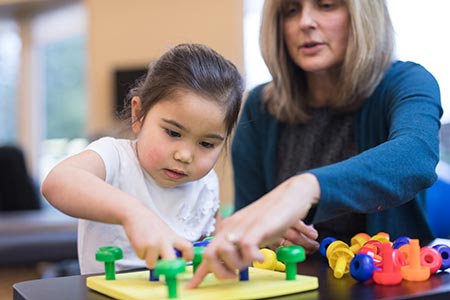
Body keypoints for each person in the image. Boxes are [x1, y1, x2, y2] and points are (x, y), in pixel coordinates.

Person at [187, 0, 442, 287]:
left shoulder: (407, 81)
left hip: (391, 287)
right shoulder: (259, 107)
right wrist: (272, 239)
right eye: (291, 11)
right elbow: (254, 224)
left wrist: (305, 188)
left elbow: (416, 157)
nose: (305, 22)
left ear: (363, 15)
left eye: (326, 5)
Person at [41, 43, 244, 274]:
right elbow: (57, 182)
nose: (185, 155)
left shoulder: (206, 184)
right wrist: (133, 213)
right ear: (139, 115)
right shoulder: (115, 158)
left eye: (207, 144)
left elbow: (212, 246)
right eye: (173, 133)